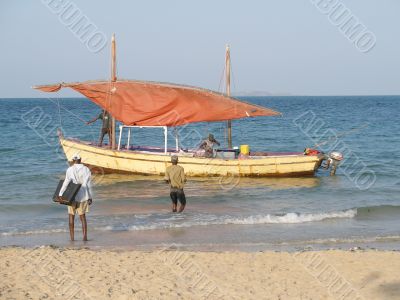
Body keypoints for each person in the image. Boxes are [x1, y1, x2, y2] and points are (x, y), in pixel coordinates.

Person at [58, 154, 93, 241]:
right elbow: (88, 185)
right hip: (83, 196)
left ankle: (72, 238)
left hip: (72, 197)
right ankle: (85, 237)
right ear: (80, 159)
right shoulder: (86, 169)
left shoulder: (70, 169)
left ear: (73, 160)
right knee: (83, 217)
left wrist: (60, 194)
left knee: (71, 216)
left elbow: (66, 182)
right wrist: (90, 197)